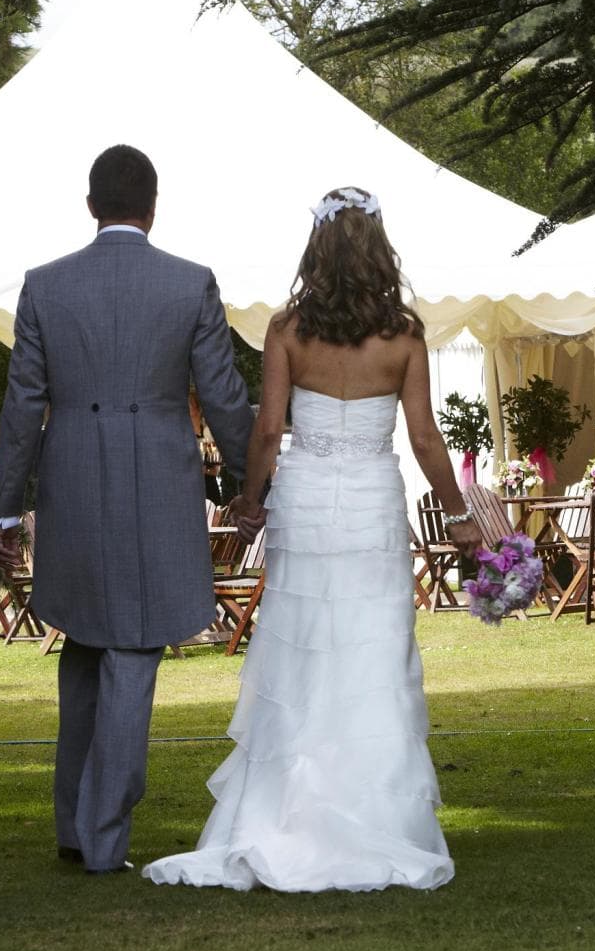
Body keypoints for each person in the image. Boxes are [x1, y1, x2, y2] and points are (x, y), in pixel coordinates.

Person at [144, 186, 483, 893]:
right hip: (370, 503)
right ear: (378, 247)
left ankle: (283, 815)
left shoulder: (288, 330)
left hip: (303, 500)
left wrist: (249, 499)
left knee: (300, 648)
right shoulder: (404, 335)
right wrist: (459, 516)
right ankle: (378, 821)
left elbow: (267, 430)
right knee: (373, 651)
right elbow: (424, 438)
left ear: (317, 249)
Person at [0, 145, 256, 875]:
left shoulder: (45, 286)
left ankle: (75, 828)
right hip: (158, 486)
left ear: (90, 205)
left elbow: (21, 406)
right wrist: (246, 483)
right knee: (132, 651)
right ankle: (103, 841)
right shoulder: (189, 283)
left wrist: (5, 512)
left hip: (70, 479)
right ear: (154, 206)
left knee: (82, 647)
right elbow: (227, 397)